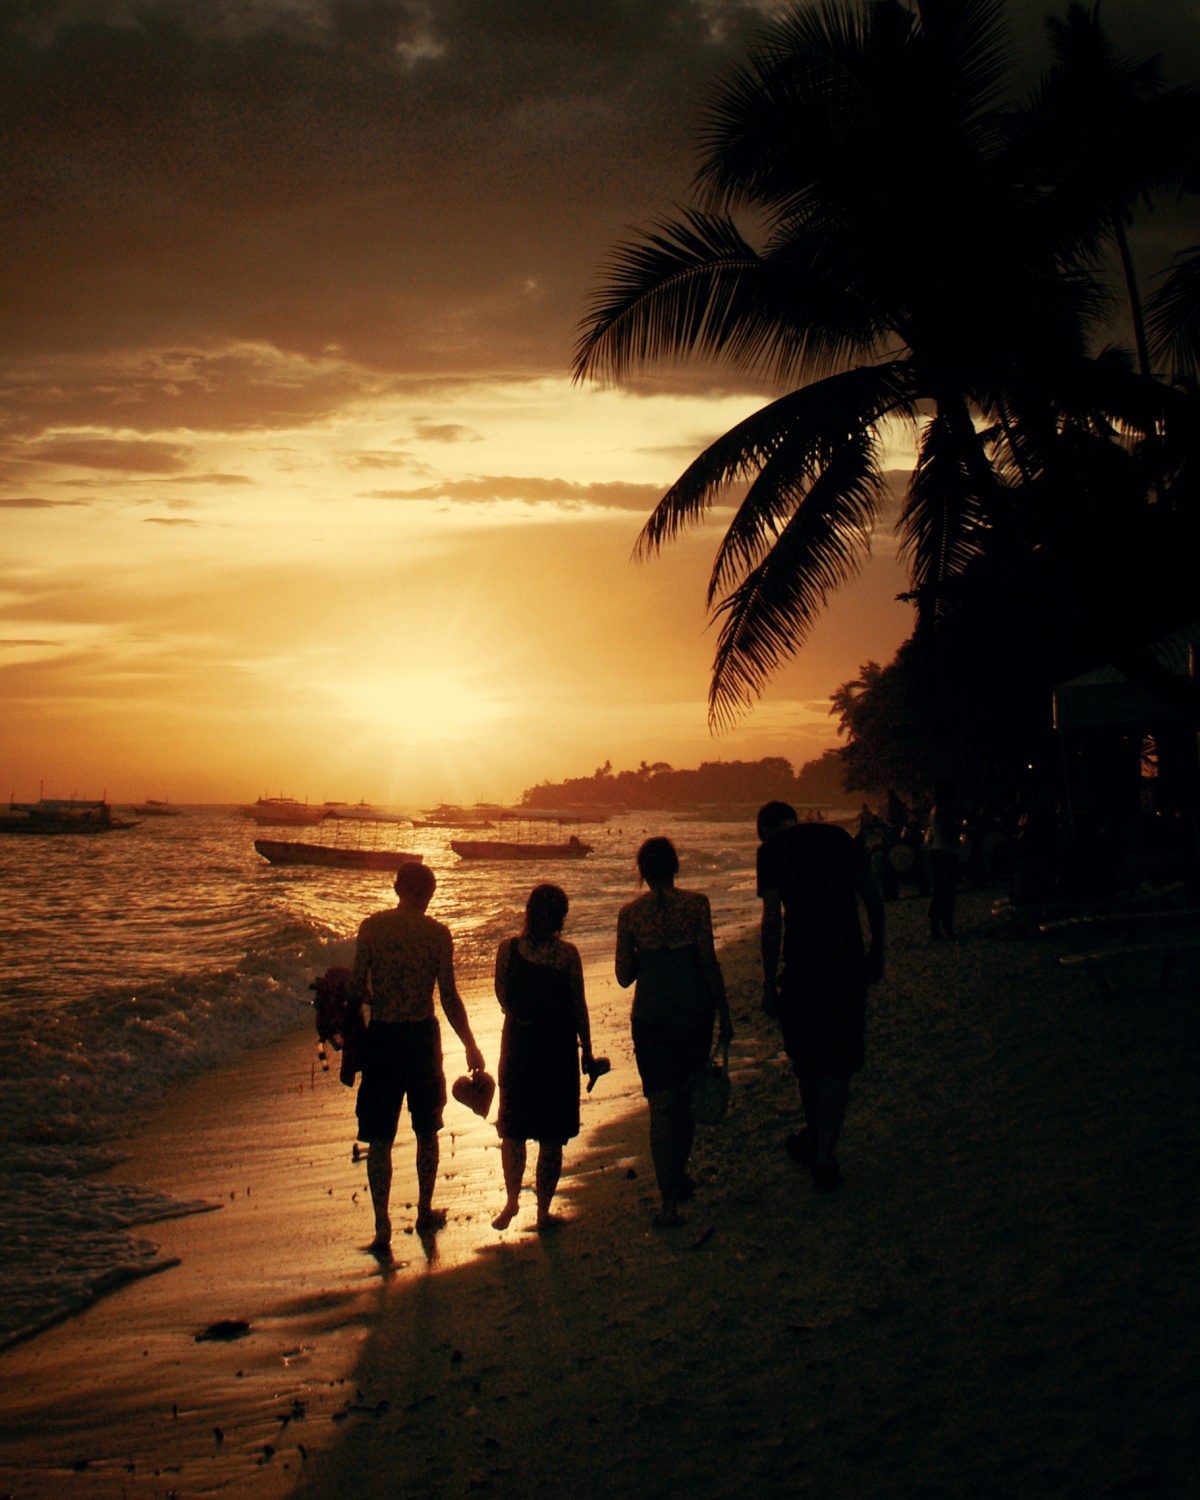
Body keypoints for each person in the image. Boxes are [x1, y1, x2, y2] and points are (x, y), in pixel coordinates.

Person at [351, 861, 485, 1252]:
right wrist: (470, 1043)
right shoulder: (438, 934)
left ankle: (382, 1226)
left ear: (396, 888)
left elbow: (359, 987)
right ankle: (425, 1209)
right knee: (427, 1130)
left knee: (379, 1137)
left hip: (384, 1037)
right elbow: (448, 997)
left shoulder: (371, 927)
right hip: (421, 1038)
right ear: (429, 893)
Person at [757, 801, 885, 1191]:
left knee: (808, 1061)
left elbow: (773, 917)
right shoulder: (839, 837)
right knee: (839, 1061)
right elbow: (872, 897)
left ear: (766, 830)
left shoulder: (771, 852)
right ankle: (824, 1153)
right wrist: (877, 950)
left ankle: (816, 1142)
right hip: (846, 961)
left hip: (803, 965)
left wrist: (767, 980)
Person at [616, 837, 733, 1227]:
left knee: (661, 1107)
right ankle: (679, 1175)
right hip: (694, 1013)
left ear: (642, 873)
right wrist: (726, 1014)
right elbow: (708, 963)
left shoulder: (630, 914)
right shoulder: (697, 905)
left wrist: (645, 953)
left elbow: (622, 976)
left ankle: (668, 1203)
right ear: (676, 866)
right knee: (686, 1100)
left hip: (651, 1017)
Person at [492, 884, 596, 1233]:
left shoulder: (508, 949)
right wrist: (588, 1049)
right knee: (551, 1135)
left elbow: (503, 997)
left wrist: (527, 1016)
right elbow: (578, 1006)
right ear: (560, 919)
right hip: (557, 1048)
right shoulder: (567, 955)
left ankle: (510, 1200)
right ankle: (543, 1211)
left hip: (519, 1044)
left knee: (513, 1129)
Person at [925, 778, 963, 940]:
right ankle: (942, 927)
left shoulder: (938, 811)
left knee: (942, 892)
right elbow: (948, 834)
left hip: (941, 853)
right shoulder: (942, 812)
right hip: (945, 854)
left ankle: (940, 927)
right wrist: (961, 828)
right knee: (945, 892)